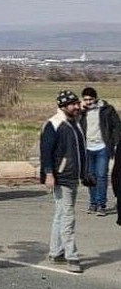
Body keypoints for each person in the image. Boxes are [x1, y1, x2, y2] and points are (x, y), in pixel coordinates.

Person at [39, 90, 88, 273]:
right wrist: (49, 174)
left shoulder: (73, 123)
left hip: (72, 176)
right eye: (73, 104)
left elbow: (79, 151)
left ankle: (55, 252)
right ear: (62, 106)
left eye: (77, 103)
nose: (77, 107)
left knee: (61, 215)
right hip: (62, 177)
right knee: (68, 217)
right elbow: (46, 152)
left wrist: (84, 173)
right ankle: (72, 257)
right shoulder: (55, 124)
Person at [79, 87, 120, 216]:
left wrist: (114, 142)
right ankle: (93, 203)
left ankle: (101, 204)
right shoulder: (81, 112)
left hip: (102, 147)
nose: (88, 101)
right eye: (85, 99)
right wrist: (80, 109)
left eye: (90, 99)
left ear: (96, 98)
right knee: (91, 176)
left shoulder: (107, 110)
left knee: (102, 176)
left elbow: (117, 126)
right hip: (87, 148)